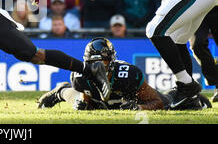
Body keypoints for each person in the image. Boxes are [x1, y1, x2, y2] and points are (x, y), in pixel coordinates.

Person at [38, 37, 211, 110]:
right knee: (83, 107)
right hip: (105, 101)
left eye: (103, 63)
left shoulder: (128, 74)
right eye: (93, 63)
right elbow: (88, 99)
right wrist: (83, 101)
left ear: (112, 62)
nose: (99, 68)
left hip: (130, 98)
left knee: (168, 105)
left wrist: (139, 107)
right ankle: (62, 91)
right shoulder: (80, 76)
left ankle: (194, 98)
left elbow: (156, 102)